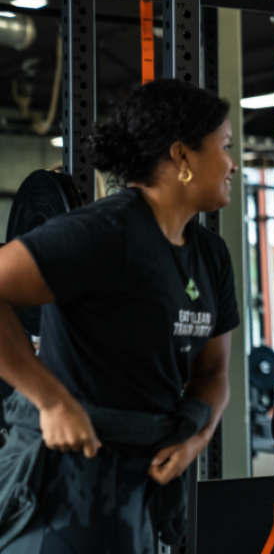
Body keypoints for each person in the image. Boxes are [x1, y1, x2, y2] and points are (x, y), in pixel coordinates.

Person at [0, 79, 240, 553]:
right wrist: (50, 401)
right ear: (183, 157)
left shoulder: (210, 255)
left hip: (136, 487)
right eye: (225, 147)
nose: (233, 164)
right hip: (61, 481)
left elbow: (212, 373)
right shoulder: (103, 233)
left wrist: (196, 437)